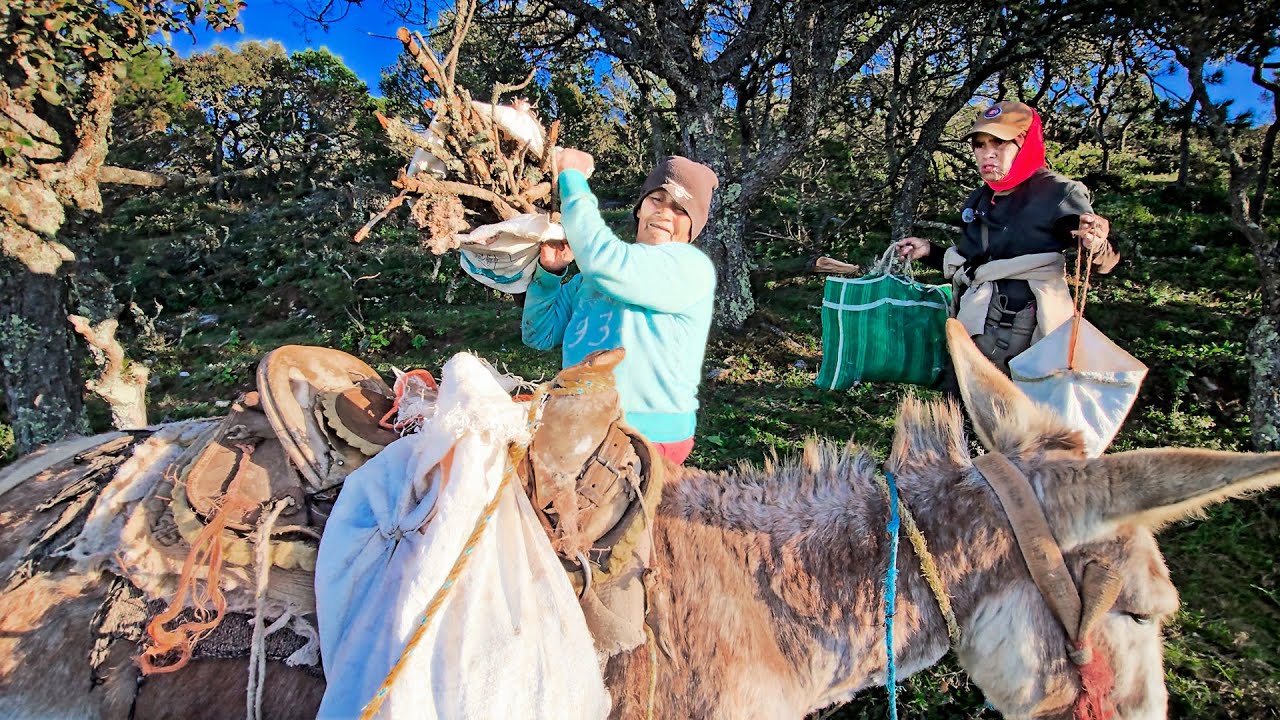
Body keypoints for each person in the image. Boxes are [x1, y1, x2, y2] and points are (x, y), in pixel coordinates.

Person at [522, 150, 719, 466]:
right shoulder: (593, 278)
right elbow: (540, 333)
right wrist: (551, 274)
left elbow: (604, 261)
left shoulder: (690, 267)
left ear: (693, 226)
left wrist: (572, 178)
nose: (665, 213)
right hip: (581, 420)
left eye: (680, 209)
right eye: (656, 199)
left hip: (645, 436)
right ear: (640, 208)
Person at [895, 101, 1120, 377]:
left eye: (999, 143)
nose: (987, 154)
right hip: (973, 324)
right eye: (979, 144)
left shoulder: (1057, 193)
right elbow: (977, 264)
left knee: (1013, 413)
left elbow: (1101, 261)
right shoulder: (981, 197)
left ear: (1025, 145)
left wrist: (1095, 244)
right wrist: (929, 251)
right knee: (963, 409)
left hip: (1025, 333)